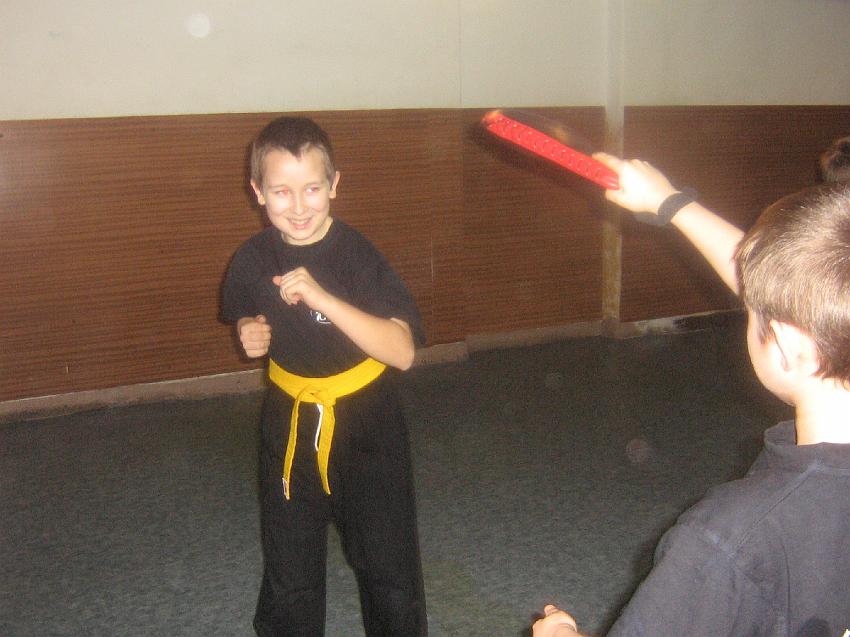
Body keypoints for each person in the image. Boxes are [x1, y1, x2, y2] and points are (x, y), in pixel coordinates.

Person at [533, 153, 850, 637]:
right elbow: (794, 288)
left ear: (787, 347)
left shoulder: (730, 541)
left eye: (753, 310)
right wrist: (668, 203)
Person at [220, 116, 427, 636]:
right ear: (257, 192)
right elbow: (243, 307)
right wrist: (248, 330)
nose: (298, 207)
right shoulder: (251, 258)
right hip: (289, 421)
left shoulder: (357, 258)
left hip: (366, 424)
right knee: (289, 567)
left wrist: (321, 298)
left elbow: (402, 351)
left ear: (334, 184)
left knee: (387, 567)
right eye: (281, 191)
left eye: (312, 188)